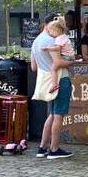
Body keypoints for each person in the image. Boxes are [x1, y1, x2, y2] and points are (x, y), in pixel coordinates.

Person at [30, 13, 73, 159]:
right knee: (58, 115)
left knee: (52, 114)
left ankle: (42, 147)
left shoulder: (36, 41)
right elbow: (58, 63)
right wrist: (74, 61)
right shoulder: (51, 41)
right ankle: (54, 149)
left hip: (47, 81)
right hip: (61, 79)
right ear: (51, 25)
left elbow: (34, 67)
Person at [42, 18, 76, 93]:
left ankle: (54, 84)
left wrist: (48, 49)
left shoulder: (59, 38)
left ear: (56, 30)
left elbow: (57, 48)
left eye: (51, 31)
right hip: (70, 56)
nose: (50, 33)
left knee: (53, 68)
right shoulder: (64, 36)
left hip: (66, 57)